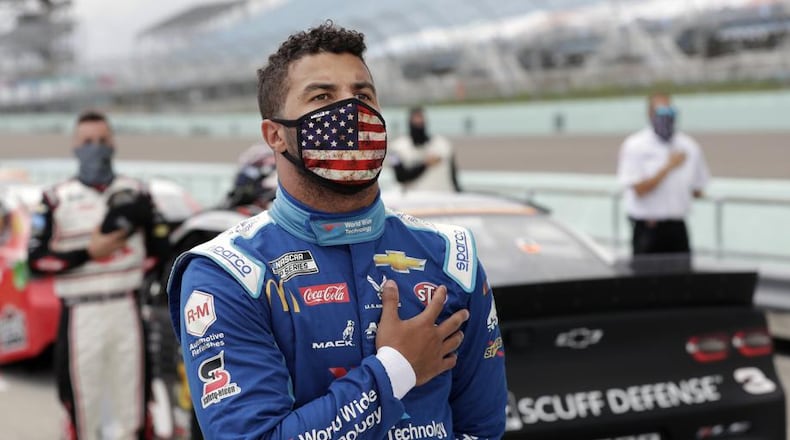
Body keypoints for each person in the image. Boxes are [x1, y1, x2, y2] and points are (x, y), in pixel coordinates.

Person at [167, 22, 507, 439]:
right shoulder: (228, 275)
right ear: (275, 134)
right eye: (323, 96)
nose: (351, 111)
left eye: (362, 95)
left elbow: (482, 428)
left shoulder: (451, 256)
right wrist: (395, 370)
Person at [28, 110, 171, 440]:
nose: (96, 148)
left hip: (126, 306)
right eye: (88, 142)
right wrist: (88, 253)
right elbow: (36, 261)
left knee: (134, 403)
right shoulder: (55, 198)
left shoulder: (137, 192)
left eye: (103, 141)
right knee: (81, 405)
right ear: (74, 147)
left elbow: (162, 250)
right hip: (80, 312)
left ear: (114, 143)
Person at [617, 92, 710, 257]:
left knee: (682, 278)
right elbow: (639, 189)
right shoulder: (635, 145)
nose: (666, 118)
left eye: (670, 112)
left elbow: (697, 188)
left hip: (677, 226)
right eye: (661, 113)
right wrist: (668, 167)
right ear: (650, 114)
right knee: (646, 279)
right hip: (648, 228)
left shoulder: (688, 146)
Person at [388, 106, 461, 192]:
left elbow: (453, 175)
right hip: (414, 199)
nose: (419, 122)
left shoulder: (444, 145)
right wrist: (425, 164)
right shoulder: (394, 149)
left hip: (445, 196)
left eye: (421, 119)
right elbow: (400, 177)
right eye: (415, 120)